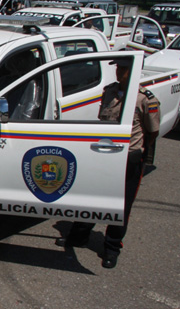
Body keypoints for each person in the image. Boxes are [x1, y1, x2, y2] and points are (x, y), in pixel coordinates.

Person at [59, 59, 161, 268]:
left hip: (127, 159)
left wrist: (136, 151)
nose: (119, 71)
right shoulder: (110, 92)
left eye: (124, 68)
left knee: (121, 205)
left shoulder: (145, 99)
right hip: (104, 155)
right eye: (118, 67)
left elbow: (152, 132)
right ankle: (79, 235)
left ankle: (112, 247)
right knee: (90, 198)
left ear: (134, 71)